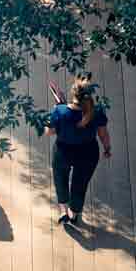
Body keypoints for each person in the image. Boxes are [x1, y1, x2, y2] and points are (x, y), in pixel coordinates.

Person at [47, 77, 112, 225]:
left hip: (63, 151)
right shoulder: (97, 112)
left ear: (73, 93)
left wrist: (56, 109)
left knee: (60, 180)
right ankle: (74, 214)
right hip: (88, 153)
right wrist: (107, 149)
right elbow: (103, 134)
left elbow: (49, 132)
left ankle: (64, 212)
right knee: (80, 185)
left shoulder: (60, 111)